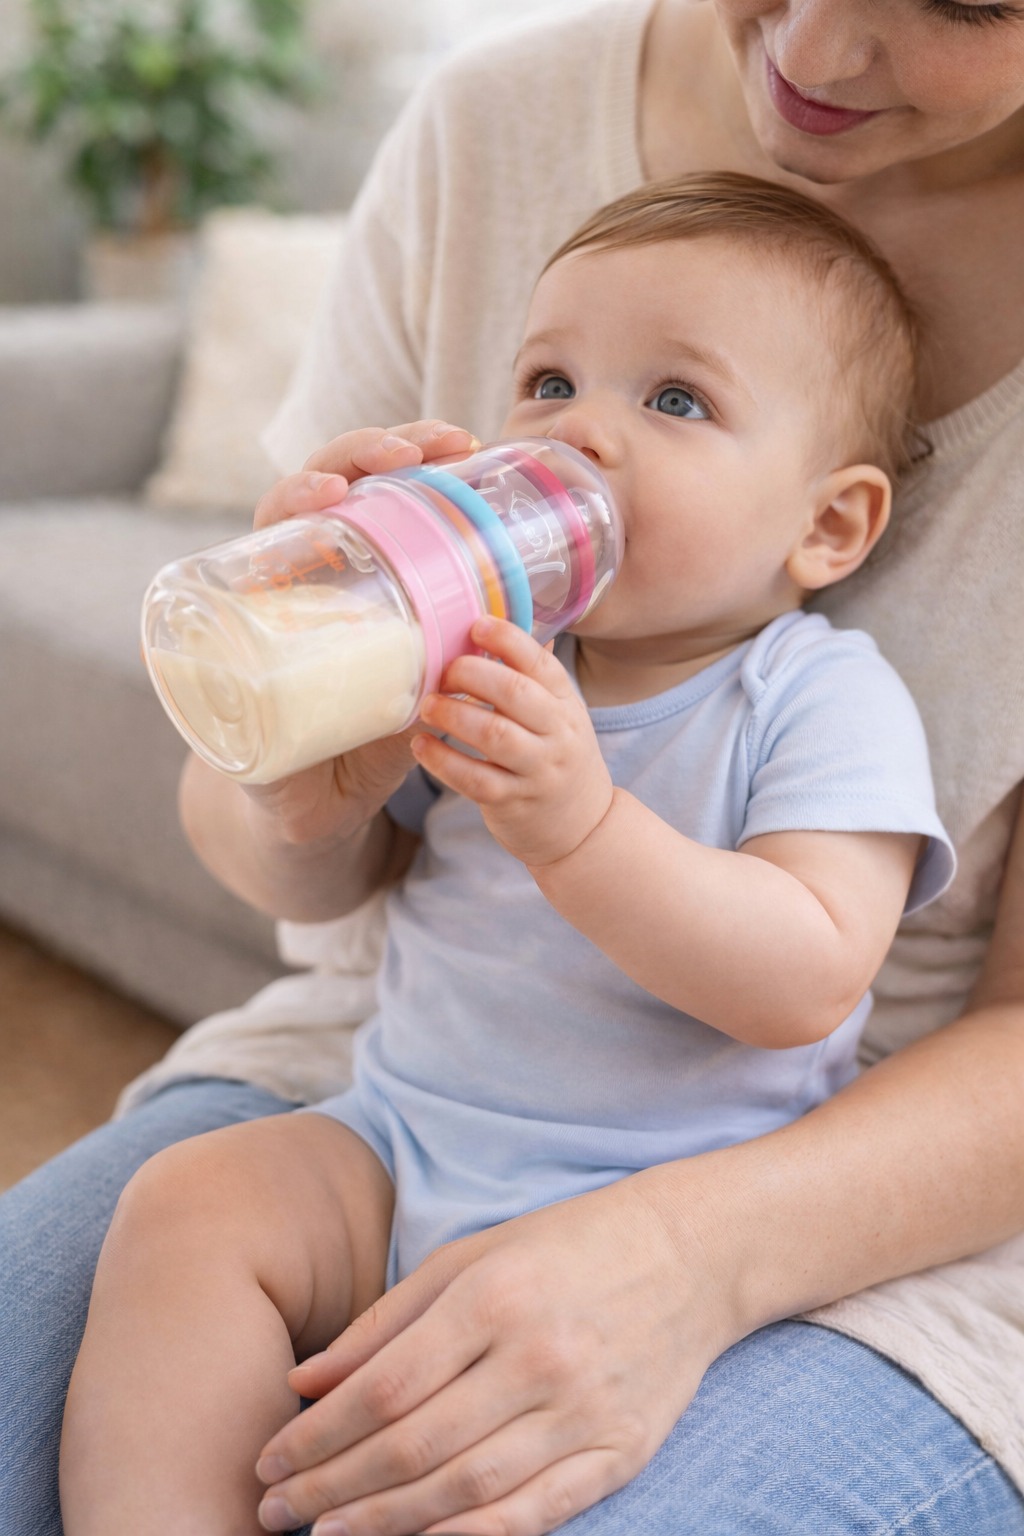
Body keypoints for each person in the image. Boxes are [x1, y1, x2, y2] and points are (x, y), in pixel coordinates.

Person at [4, 3, 1024, 1533]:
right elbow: (318, 875)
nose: (583, 442)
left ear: (829, 528)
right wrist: (304, 768)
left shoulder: (813, 699)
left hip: (683, 1183)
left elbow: (808, 972)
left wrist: (584, 826)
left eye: (674, 403)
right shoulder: (496, 655)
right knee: (191, 1209)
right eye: (549, 385)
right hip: (402, 1128)